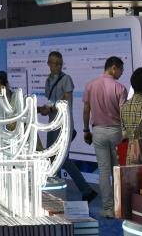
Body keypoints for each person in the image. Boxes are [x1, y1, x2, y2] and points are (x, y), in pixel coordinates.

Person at [37, 51, 98, 202]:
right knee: (57, 158)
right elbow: (51, 101)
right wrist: (44, 109)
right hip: (52, 123)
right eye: (54, 63)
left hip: (63, 124)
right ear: (48, 64)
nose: (57, 66)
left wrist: (50, 108)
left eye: (59, 63)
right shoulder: (48, 80)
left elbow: (66, 103)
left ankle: (63, 192)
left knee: (59, 159)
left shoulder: (66, 79)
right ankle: (83, 191)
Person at [83, 56, 127, 218]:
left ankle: (108, 208)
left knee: (103, 171)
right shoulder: (120, 88)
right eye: (121, 69)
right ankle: (119, 208)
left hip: (98, 132)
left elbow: (86, 110)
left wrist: (85, 130)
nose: (122, 73)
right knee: (117, 171)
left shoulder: (90, 85)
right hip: (116, 132)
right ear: (113, 68)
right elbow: (123, 114)